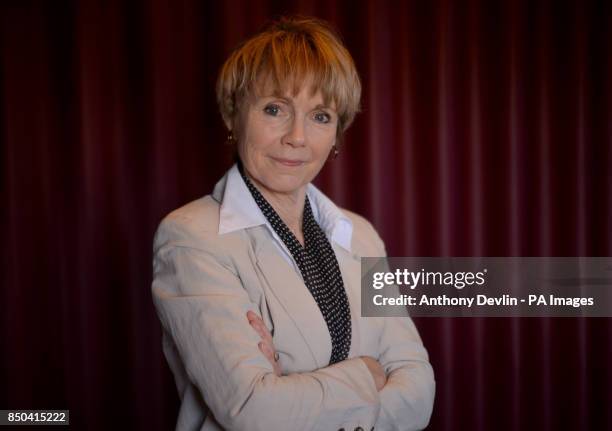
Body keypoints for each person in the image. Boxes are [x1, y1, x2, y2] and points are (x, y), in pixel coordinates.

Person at [152, 16, 435, 431]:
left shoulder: (360, 237)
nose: (297, 137)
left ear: (337, 133)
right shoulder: (192, 238)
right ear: (234, 115)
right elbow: (254, 410)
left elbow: (419, 395)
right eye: (274, 109)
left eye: (320, 116)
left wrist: (292, 388)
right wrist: (369, 375)